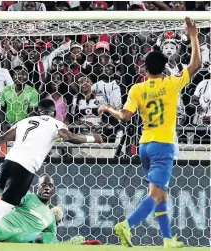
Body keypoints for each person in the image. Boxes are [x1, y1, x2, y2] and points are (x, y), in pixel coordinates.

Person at [97, 17, 201, 248]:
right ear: (164, 68)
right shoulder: (171, 83)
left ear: (144, 69)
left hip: (144, 145)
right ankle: (127, 224)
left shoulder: (137, 88)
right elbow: (195, 65)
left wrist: (107, 108)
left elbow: (125, 116)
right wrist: (193, 35)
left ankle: (167, 240)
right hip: (163, 145)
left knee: (160, 193)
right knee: (155, 195)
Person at [0, 99, 102, 241]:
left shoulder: (24, 122)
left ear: (38, 111)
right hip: (25, 167)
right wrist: (93, 138)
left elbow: (2, 138)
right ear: (55, 112)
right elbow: (69, 136)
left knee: (3, 189)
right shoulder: (55, 123)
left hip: (9, 161)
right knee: (3, 209)